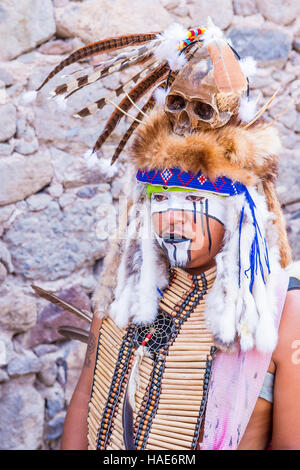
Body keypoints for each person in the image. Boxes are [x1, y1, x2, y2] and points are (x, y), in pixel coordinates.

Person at [36, 19, 300, 450]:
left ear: (237, 211)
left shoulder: (284, 311)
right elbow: (86, 394)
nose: (173, 220)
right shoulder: (123, 287)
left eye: (195, 202)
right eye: (160, 199)